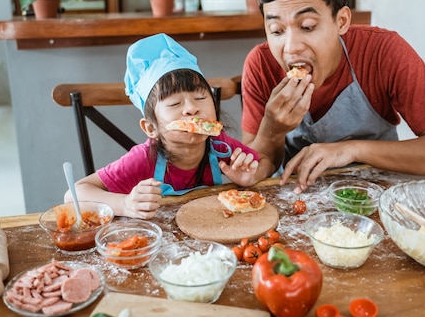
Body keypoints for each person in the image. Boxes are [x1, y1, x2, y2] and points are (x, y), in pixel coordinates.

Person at [240, 0, 425, 194]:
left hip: (379, 193)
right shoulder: (260, 64)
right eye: (276, 31)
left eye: (308, 26)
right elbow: (257, 165)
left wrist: (352, 149)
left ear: (341, 21)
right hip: (296, 196)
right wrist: (272, 128)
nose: (291, 47)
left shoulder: (383, 51)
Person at [66, 33, 274, 219]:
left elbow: (267, 162)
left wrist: (251, 176)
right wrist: (125, 204)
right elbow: (74, 194)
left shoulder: (221, 148)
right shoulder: (143, 159)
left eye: (201, 97)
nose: (192, 109)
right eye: (175, 103)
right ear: (151, 128)